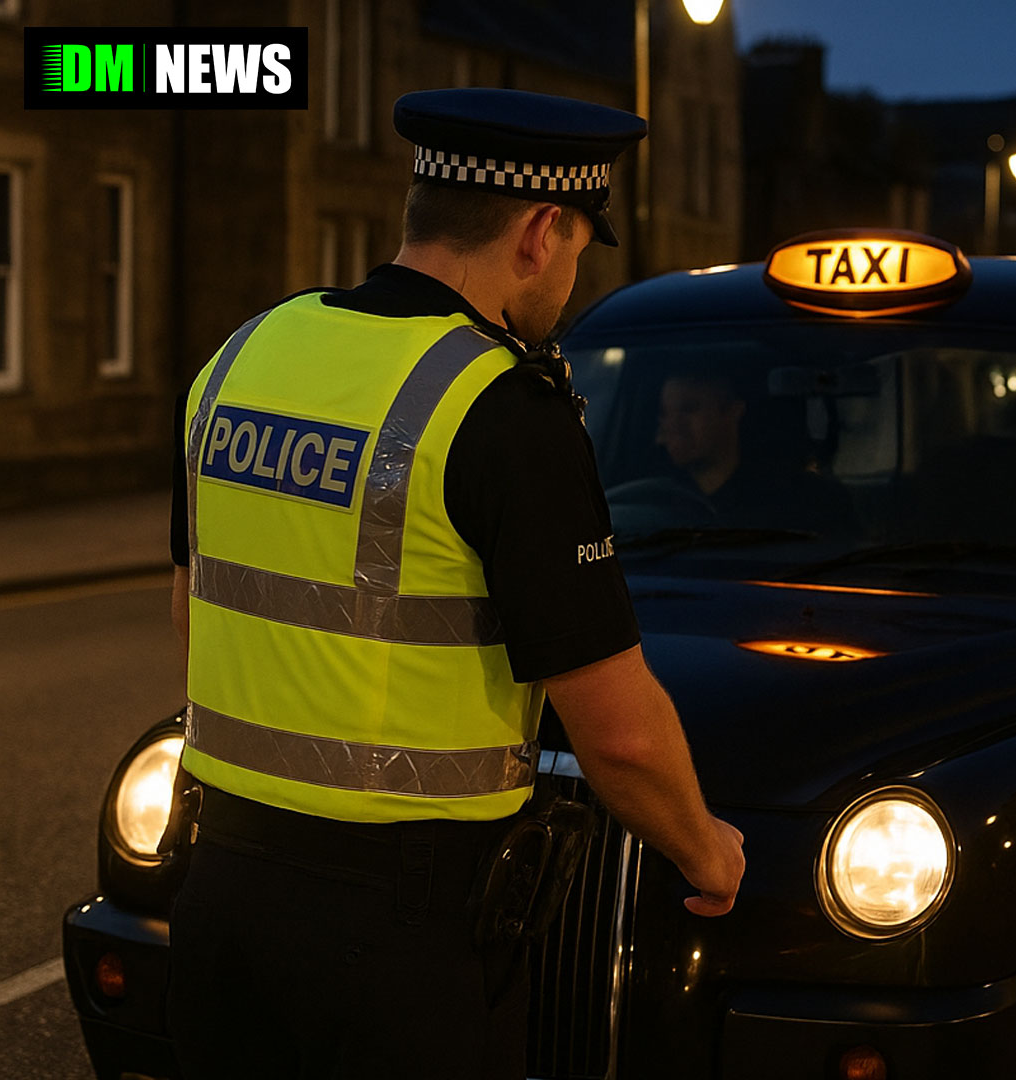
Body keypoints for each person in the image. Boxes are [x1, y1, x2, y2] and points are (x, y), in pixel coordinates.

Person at [164, 88, 745, 1079]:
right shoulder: (501, 407)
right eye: (576, 250)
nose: (568, 276)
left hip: (219, 892)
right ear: (539, 229)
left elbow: (197, 602)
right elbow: (617, 733)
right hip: (398, 932)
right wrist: (704, 849)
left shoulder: (244, 355)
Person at [653, 370, 860, 536]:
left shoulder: (804, 505)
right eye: (664, 414)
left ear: (734, 412)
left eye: (689, 409)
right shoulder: (653, 504)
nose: (672, 424)